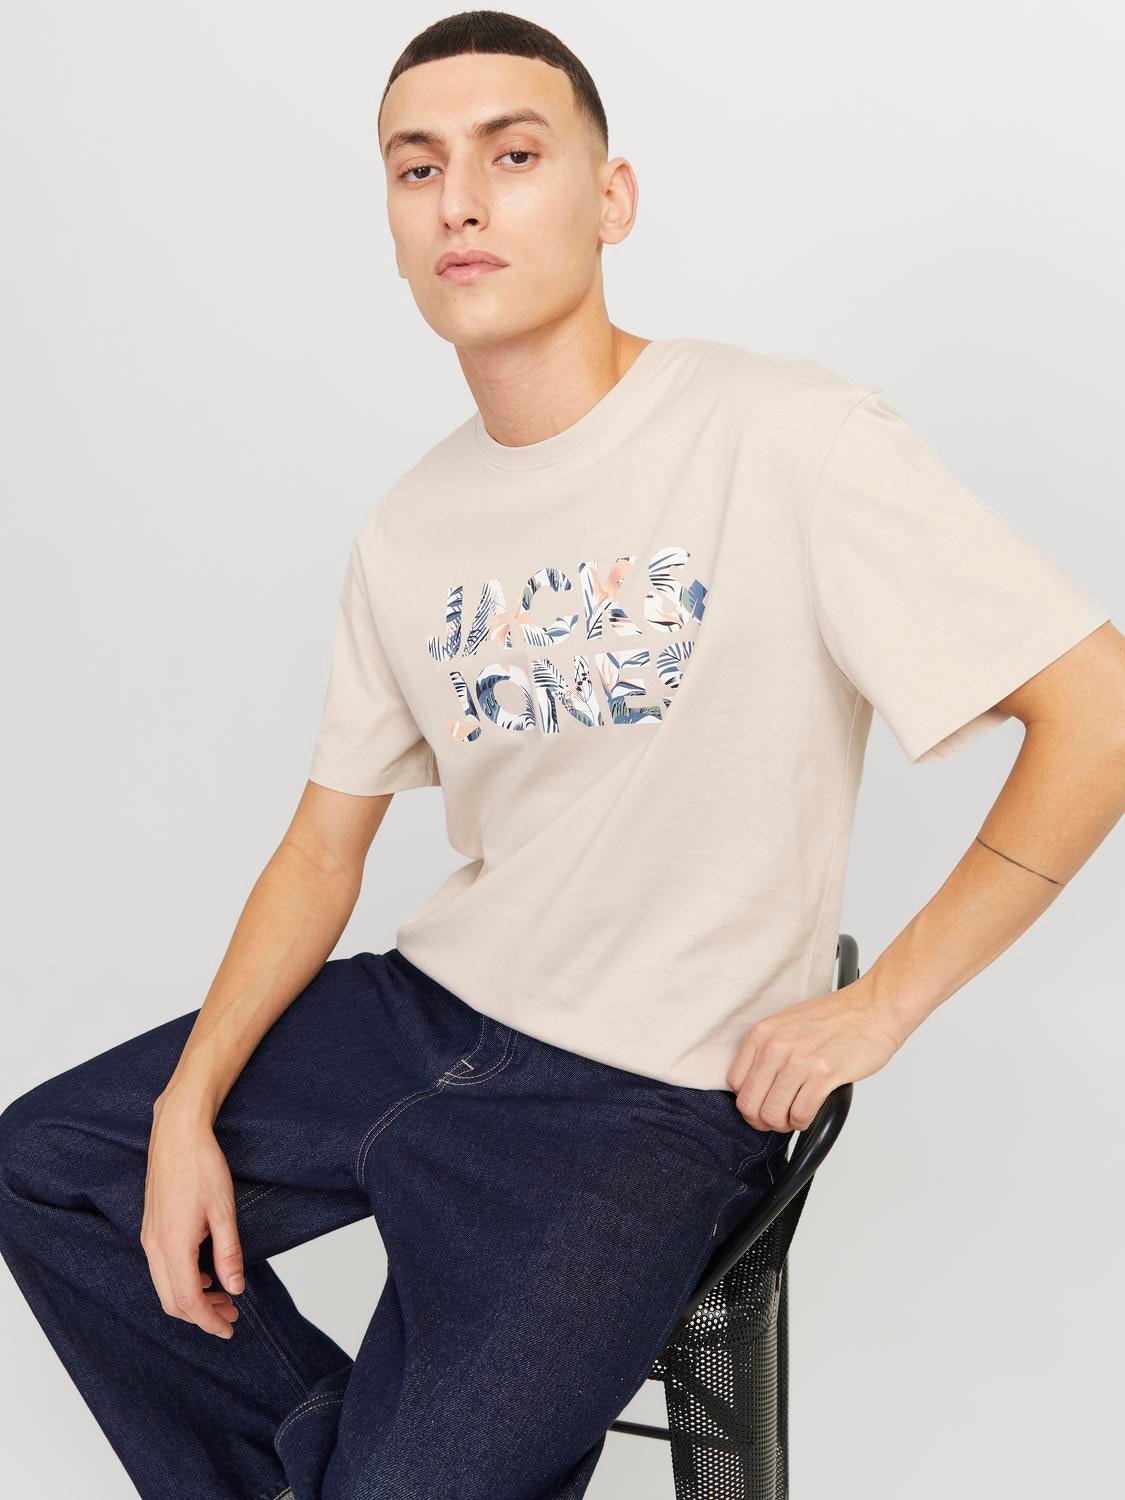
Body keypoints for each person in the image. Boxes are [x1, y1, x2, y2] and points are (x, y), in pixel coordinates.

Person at [2, 10, 1123, 1500]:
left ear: (611, 198)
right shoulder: (409, 527)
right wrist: (186, 1107)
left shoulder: (785, 435)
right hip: (427, 1013)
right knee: (53, 1168)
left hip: (641, 1100)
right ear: (393, 221)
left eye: (512, 156)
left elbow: (1098, 710)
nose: (459, 201)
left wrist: (883, 1007)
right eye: (417, 168)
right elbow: (323, 848)